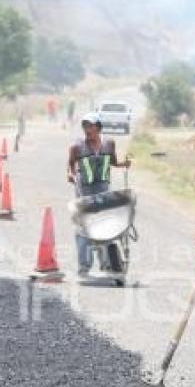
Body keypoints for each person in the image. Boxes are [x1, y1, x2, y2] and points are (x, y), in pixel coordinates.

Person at [67, 112, 131, 276]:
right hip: (84, 191)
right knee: (84, 227)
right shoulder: (76, 147)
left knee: (105, 225)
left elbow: (112, 161)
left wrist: (123, 164)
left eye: (91, 126)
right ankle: (84, 266)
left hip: (102, 190)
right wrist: (71, 175)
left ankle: (107, 263)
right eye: (85, 126)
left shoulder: (109, 144)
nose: (88, 129)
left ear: (99, 128)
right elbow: (71, 165)